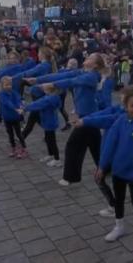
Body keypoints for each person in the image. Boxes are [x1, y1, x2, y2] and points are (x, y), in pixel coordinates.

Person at [97, 86, 133, 262]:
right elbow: (109, 144)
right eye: (132, 105)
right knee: (119, 201)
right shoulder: (120, 120)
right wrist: (102, 166)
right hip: (118, 171)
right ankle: (119, 226)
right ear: (126, 106)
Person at [38, 54, 105, 184]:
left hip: (87, 117)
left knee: (72, 146)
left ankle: (70, 177)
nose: (87, 58)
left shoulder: (91, 77)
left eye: (91, 58)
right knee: (96, 146)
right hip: (87, 115)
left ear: (96, 65)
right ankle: (106, 169)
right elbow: (63, 76)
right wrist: (38, 80)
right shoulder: (82, 71)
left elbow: (71, 81)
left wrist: (52, 84)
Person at [22, 84, 62, 167]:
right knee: (48, 139)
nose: (42, 89)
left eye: (43, 88)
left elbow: (38, 104)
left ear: (48, 90)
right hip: (49, 122)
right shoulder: (51, 96)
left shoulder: (49, 99)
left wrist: (25, 108)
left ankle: (57, 159)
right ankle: (50, 155)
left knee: (52, 141)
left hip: (49, 123)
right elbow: (39, 102)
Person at [0, 76, 27, 159]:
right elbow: (7, 103)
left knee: (19, 134)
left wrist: (21, 106)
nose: (8, 86)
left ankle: (24, 148)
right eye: (6, 85)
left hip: (15, 117)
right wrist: (15, 109)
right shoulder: (1, 94)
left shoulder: (14, 92)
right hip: (7, 118)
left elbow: (19, 100)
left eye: (10, 85)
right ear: (2, 85)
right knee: (10, 134)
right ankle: (13, 148)